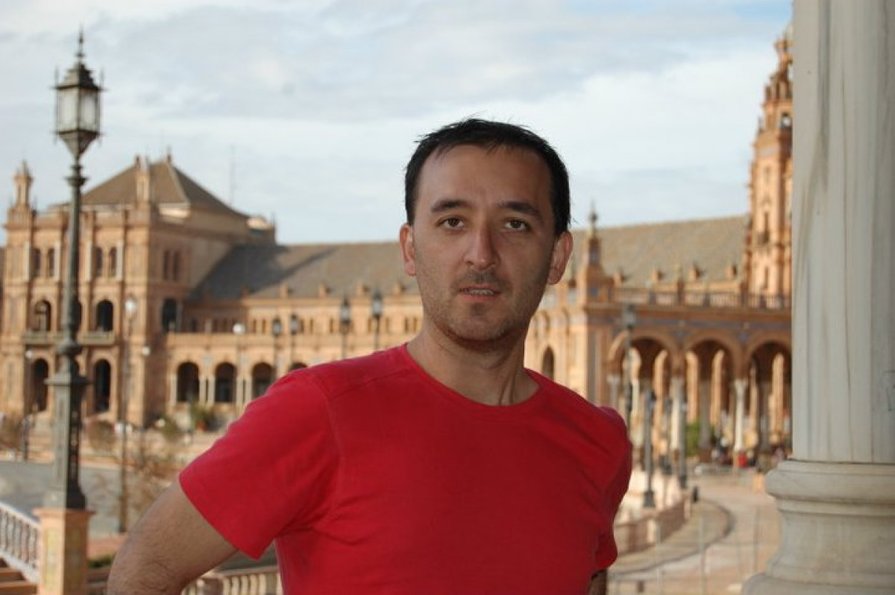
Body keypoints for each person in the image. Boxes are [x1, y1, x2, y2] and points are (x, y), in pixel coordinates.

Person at [108, 118, 632, 595]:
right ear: (409, 248)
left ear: (558, 256)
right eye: (452, 221)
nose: (481, 254)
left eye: (515, 224)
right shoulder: (315, 411)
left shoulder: (599, 441)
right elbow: (146, 566)